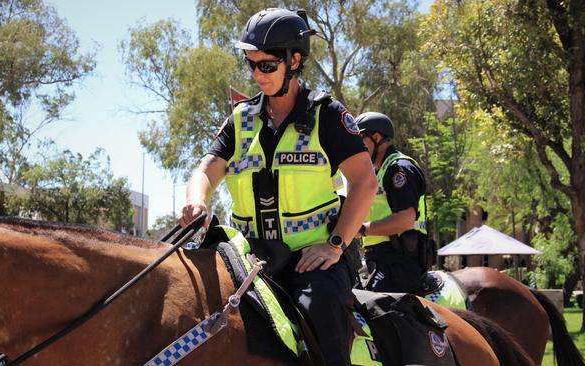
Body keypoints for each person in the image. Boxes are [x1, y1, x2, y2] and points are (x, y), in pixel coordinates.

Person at [178, 8, 377, 366]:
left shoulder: (328, 115)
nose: (257, 74)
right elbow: (206, 169)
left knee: (320, 315)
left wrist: (335, 245)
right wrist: (196, 200)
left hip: (313, 261)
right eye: (250, 64)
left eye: (266, 65)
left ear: (295, 60)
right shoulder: (240, 120)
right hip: (248, 257)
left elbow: (364, 181)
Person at [355, 112, 430, 293]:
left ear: (377, 138)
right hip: (379, 258)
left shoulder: (399, 168)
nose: (356, 147)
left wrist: (362, 229)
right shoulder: (378, 172)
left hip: (400, 261)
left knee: (375, 308)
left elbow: (405, 219)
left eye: (360, 140)